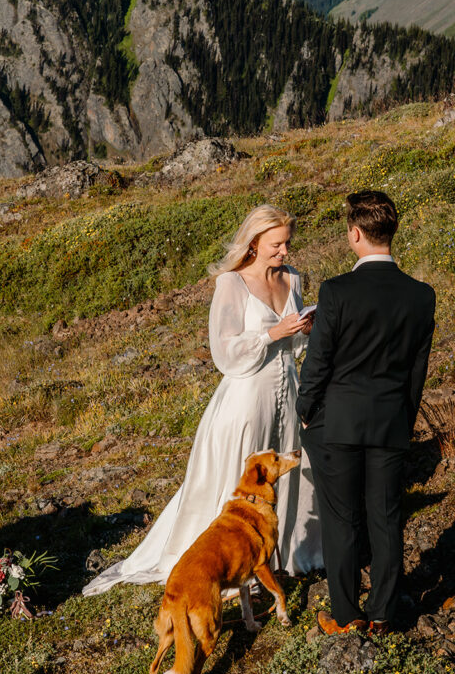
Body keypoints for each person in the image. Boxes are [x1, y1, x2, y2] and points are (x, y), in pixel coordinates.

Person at [83, 205, 323, 596]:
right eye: (277, 245)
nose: (284, 252)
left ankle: (274, 553)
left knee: (283, 469)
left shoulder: (292, 278)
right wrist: (271, 334)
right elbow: (224, 352)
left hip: (287, 389)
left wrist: (302, 330)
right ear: (255, 242)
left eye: (287, 244)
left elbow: (294, 343)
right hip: (248, 396)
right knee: (240, 476)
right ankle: (225, 558)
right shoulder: (232, 284)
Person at [297, 190, 435, 634]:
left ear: (355, 234)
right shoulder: (421, 296)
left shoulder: (336, 292)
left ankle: (345, 615)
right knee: (386, 516)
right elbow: (417, 370)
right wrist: (405, 418)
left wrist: (305, 408)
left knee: (341, 519)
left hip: (336, 421)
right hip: (391, 420)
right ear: (391, 233)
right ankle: (382, 613)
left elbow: (319, 361)